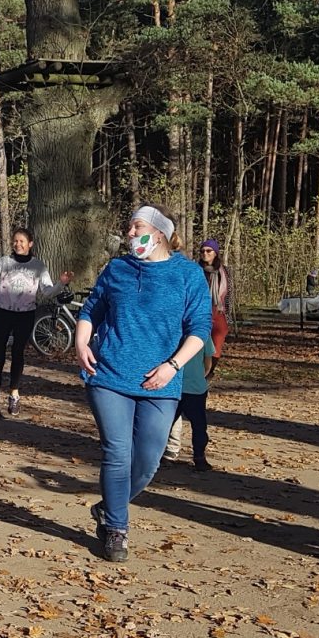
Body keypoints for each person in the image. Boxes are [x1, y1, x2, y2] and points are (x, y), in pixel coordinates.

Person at [74, 205, 211, 563]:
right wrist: (81, 342)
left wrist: (172, 366)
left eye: (137, 227)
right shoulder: (117, 268)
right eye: (130, 227)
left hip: (160, 382)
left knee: (148, 461)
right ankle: (117, 528)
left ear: (160, 233)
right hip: (109, 375)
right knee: (118, 453)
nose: (130, 233)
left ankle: (108, 506)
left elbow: (200, 328)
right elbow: (91, 310)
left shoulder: (188, 274)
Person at [0, 227, 73, 416]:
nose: (18, 244)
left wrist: (61, 283)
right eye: (15, 241)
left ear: (30, 244)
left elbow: (47, 291)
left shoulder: (38, 266)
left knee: (18, 354)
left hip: (25, 315)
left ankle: (14, 394)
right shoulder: (4, 262)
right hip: (3, 314)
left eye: (22, 241)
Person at [163, 335, 215, 470]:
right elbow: (208, 363)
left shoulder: (175, 331)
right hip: (195, 388)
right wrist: (200, 376)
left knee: (165, 423)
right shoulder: (203, 334)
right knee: (199, 425)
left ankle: (161, 454)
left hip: (172, 386)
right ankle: (199, 457)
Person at [199, 239, 231, 374]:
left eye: (209, 251)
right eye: (202, 251)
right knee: (201, 342)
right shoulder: (196, 270)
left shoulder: (224, 271)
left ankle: (210, 372)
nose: (205, 254)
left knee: (217, 342)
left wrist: (227, 317)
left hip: (218, 311)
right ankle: (200, 371)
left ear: (216, 253)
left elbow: (229, 295)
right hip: (201, 311)